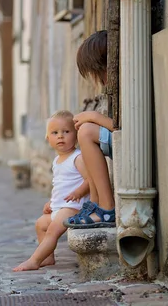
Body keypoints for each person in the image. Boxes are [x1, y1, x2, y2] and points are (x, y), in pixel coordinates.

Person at [13, 110, 90, 272]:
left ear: (76, 135)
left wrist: (79, 192)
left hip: (74, 207)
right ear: (48, 138)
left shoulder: (77, 158)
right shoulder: (57, 160)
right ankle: (48, 257)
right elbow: (60, 186)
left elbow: (90, 179)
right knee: (41, 224)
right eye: (55, 133)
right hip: (61, 207)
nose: (60, 136)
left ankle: (35, 260)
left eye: (66, 132)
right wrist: (52, 202)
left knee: (53, 231)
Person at [63, 30, 116, 229]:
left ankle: (107, 209)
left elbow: (127, 128)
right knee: (85, 130)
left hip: (134, 143)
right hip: (123, 141)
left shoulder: (131, 81)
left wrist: (93, 116)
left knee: (86, 131)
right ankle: (95, 204)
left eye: (97, 70)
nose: (97, 77)